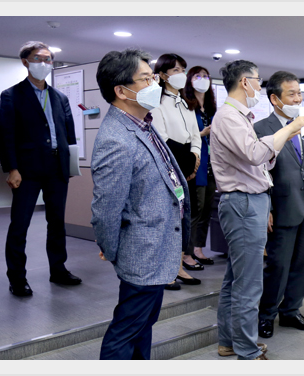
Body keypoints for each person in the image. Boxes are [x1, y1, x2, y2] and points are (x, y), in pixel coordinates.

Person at [210, 60, 304, 360]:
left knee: (236, 279)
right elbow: (257, 154)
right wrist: (292, 128)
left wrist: (285, 135)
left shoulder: (239, 116)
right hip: (243, 203)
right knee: (248, 283)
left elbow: (259, 159)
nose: (260, 85)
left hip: (249, 200)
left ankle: (229, 341)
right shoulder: (230, 116)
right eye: (257, 80)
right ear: (245, 82)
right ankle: (246, 349)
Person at [91, 48, 191, 360]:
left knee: (142, 325)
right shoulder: (115, 138)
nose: (155, 85)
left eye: (153, 77)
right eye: (146, 79)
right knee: (127, 328)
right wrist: (115, 250)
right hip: (141, 252)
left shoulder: (142, 123)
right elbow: (105, 209)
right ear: (121, 91)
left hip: (156, 246)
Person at [0, 41, 81, 297]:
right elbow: (6, 134)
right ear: (26, 61)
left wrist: (70, 165)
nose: (44, 63)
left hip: (57, 168)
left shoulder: (60, 97)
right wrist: (12, 168)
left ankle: (58, 270)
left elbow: (69, 134)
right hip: (27, 170)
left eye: (48, 59)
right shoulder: (11, 95)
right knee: (19, 225)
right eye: (38, 58)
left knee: (56, 223)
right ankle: (18, 279)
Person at [254, 71, 304, 339]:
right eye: (291, 93)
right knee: (278, 265)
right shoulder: (261, 129)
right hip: (281, 206)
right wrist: (267, 208)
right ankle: (266, 314)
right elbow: (260, 173)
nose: (298, 98)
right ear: (274, 98)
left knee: (302, 263)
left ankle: (292, 310)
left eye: (299, 92)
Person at [150, 53, 201, 289]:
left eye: (183, 69)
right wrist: (186, 163)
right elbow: (162, 138)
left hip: (189, 163)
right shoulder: (156, 101)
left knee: (185, 218)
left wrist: (196, 157)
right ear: (162, 75)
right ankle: (165, 269)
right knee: (169, 218)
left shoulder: (187, 103)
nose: (181, 74)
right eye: (175, 70)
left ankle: (179, 265)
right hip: (170, 164)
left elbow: (194, 135)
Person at [183, 66, 218, 268]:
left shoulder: (212, 108)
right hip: (196, 165)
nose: (203, 79)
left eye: (206, 76)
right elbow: (181, 137)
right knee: (195, 210)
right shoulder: (187, 106)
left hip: (213, 165)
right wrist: (202, 134)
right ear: (190, 79)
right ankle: (186, 254)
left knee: (206, 210)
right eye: (198, 76)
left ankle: (198, 249)